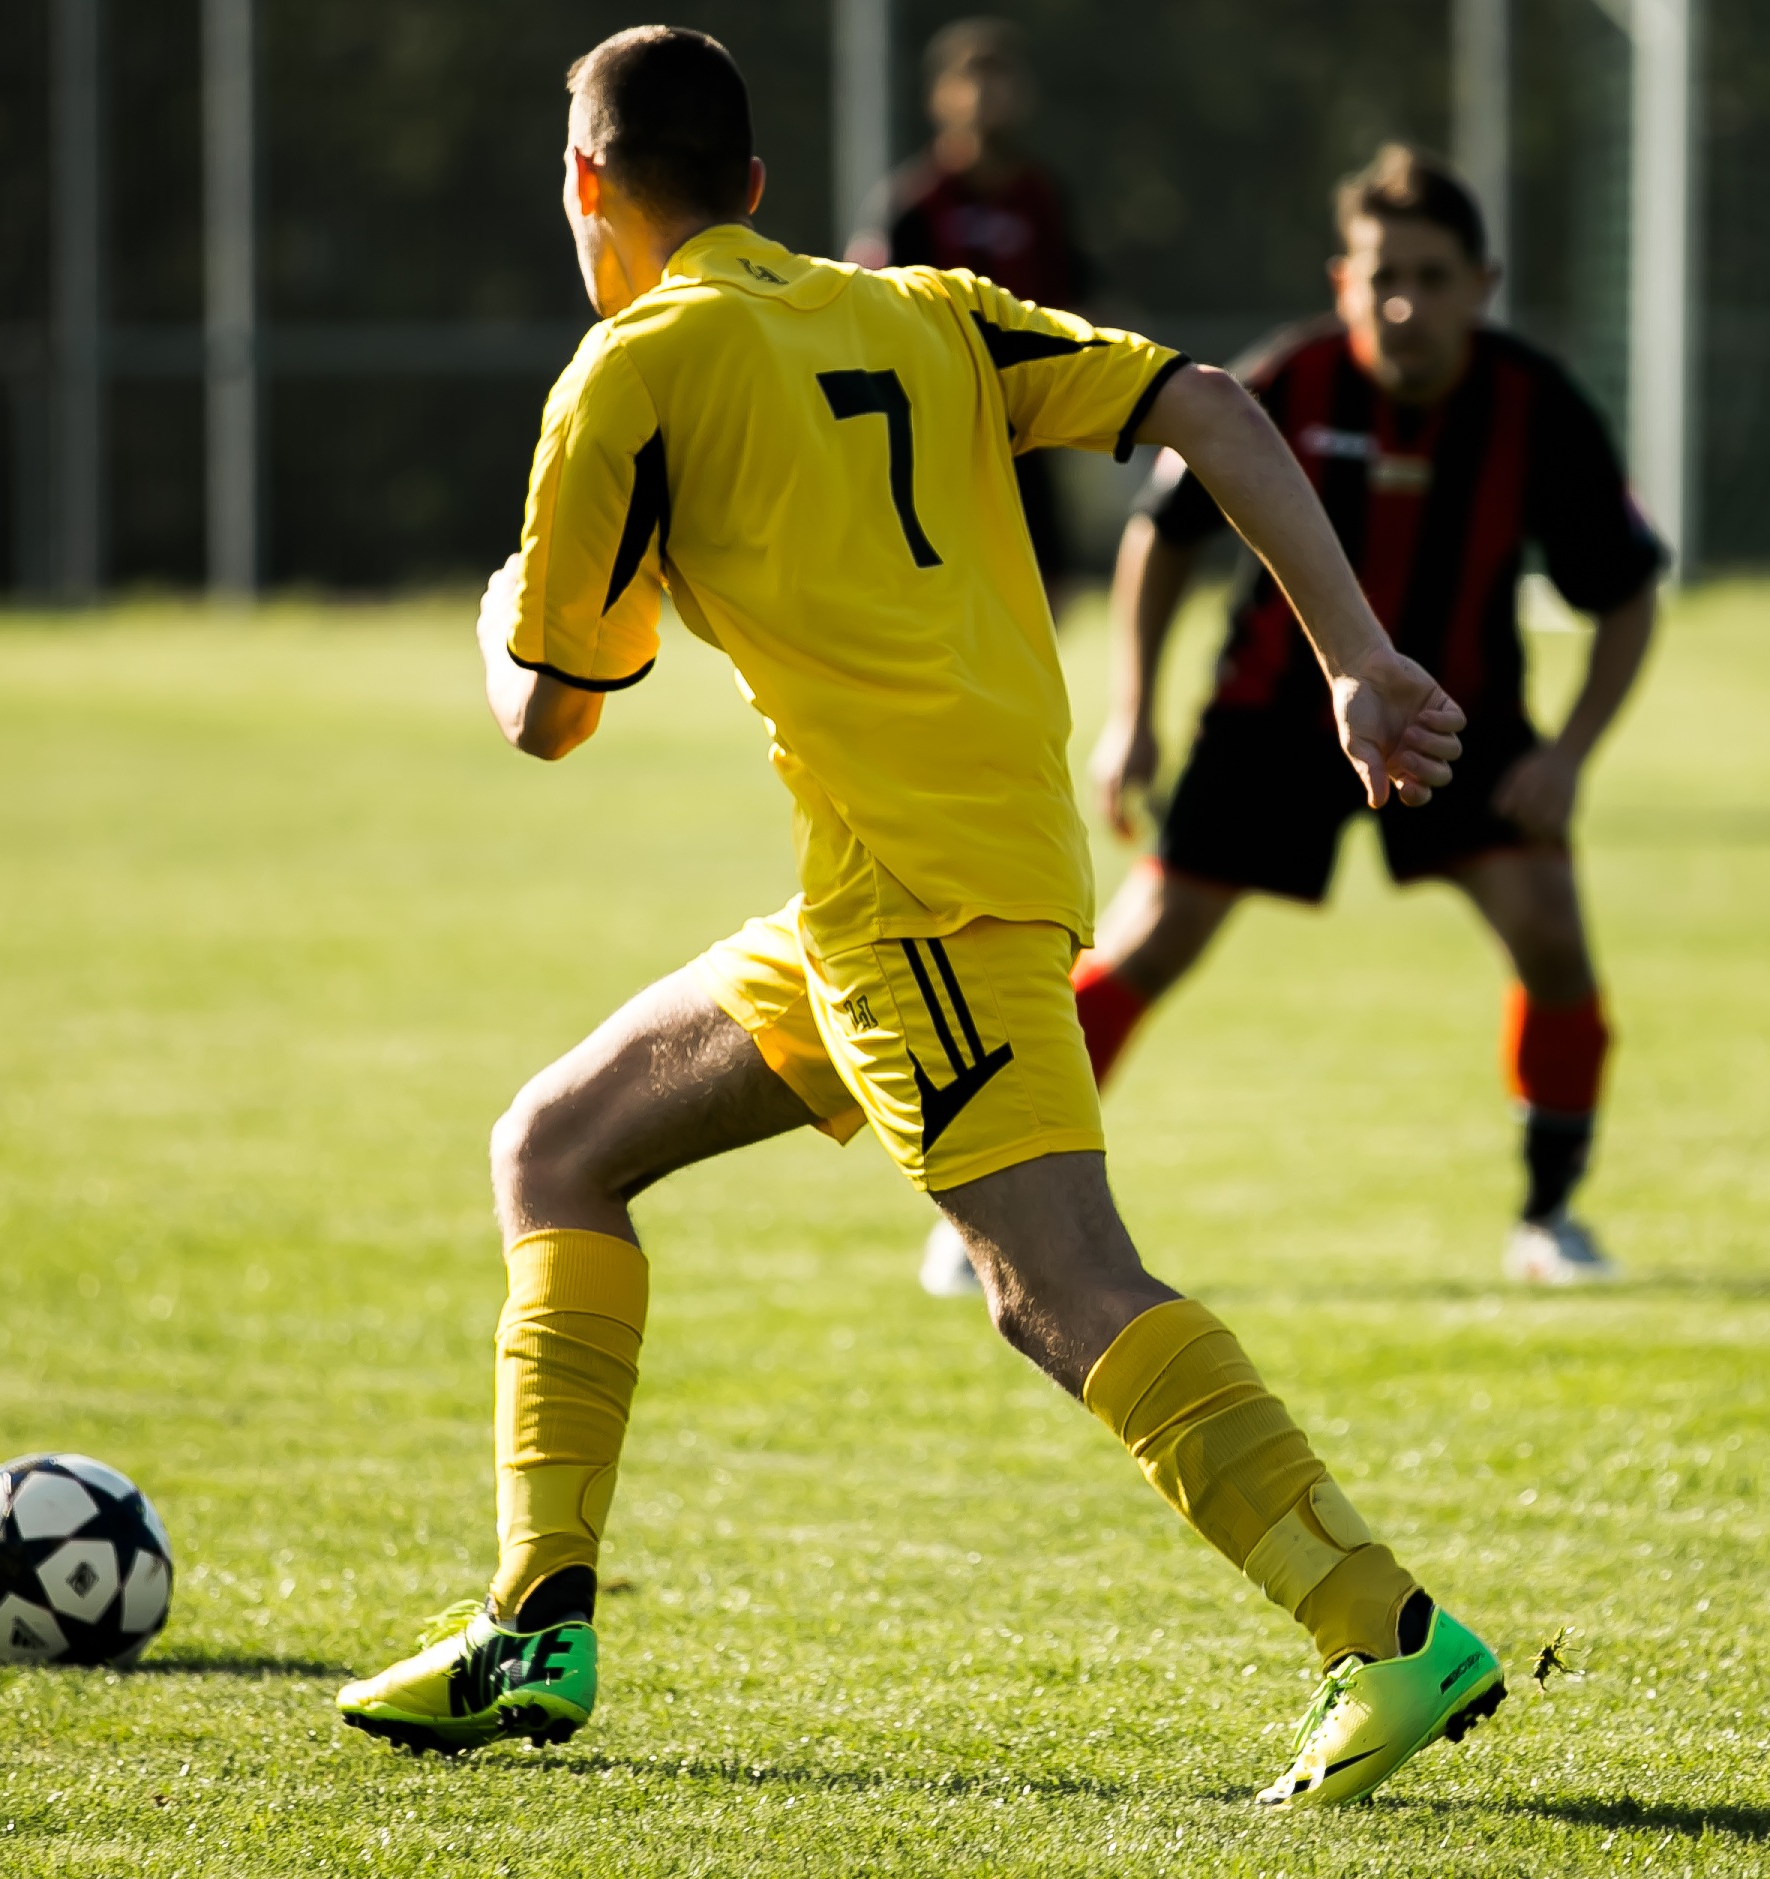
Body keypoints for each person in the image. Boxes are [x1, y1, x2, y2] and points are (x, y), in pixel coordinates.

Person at [333, 28, 1505, 1811]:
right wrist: (1352, 653)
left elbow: (553, 707)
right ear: (755, 185)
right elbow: (1210, 403)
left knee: (1059, 1284)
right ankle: (536, 1617)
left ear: (588, 189)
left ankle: (1384, 1627)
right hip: (879, 888)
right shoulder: (925, 307)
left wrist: (506, 613)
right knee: (557, 1143)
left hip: (924, 904)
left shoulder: (627, 368)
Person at [916, 145, 1662, 1298]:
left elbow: (1624, 594)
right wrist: (1133, 717)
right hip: (1273, 715)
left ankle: (1548, 1218)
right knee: (1146, 941)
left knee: (1552, 934)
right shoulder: (1287, 385)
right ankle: (995, 1207)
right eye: (1381, 275)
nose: (1404, 302)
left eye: (1432, 274)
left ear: (1484, 282)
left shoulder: (1537, 406)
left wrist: (1569, 755)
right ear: (1341, 279)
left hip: (1458, 722)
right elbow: (1158, 541)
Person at [852, 18, 1091, 600]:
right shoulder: (913, 203)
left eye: (1000, 78)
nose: (986, 95)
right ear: (942, 96)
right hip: (940, 421)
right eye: (971, 79)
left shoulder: (1042, 197)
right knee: (943, 576)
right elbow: (870, 310)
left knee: (1045, 578)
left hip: (1026, 419)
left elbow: (1076, 295)